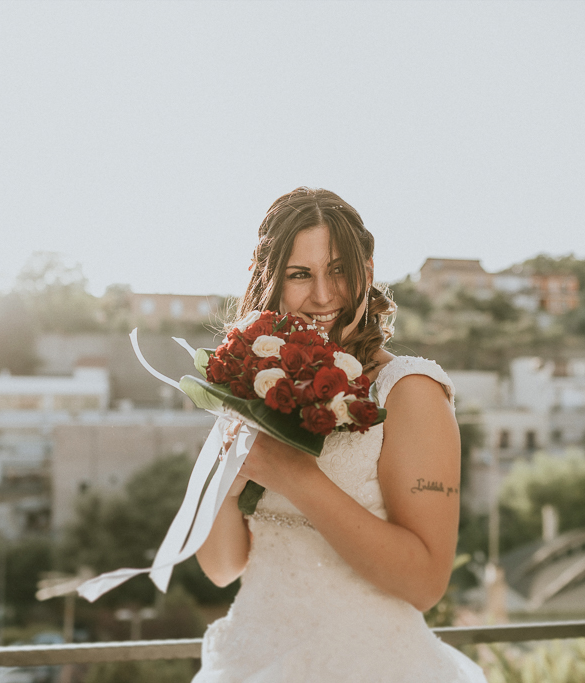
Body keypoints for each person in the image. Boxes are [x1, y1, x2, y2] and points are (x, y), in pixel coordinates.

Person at [193, 187, 487, 682]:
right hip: (254, 660)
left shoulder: (409, 391)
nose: (324, 295)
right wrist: (234, 477)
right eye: (299, 274)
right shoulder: (255, 383)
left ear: (367, 273)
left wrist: (294, 476)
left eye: (339, 270)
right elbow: (223, 567)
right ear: (270, 280)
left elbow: (425, 582)